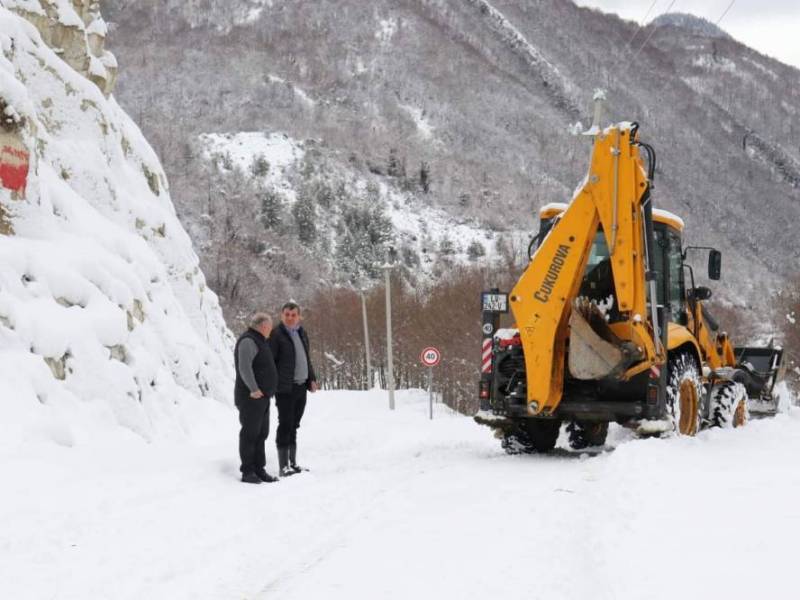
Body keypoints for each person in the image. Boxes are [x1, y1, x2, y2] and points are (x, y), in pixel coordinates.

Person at [269, 302, 318, 477]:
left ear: (299, 316)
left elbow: (306, 358)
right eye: (287, 315)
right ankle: (283, 466)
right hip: (285, 389)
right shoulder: (276, 334)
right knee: (285, 425)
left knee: (294, 425)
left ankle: (293, 463)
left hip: (301, 387)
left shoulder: (302, 333)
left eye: (293, 315)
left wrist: (312, 379)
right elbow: (270, 363)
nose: (290, 318)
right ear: (282, 316)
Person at [234, 313, 278, 484]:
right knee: (250, 434)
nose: (271, 330)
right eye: (270, 326)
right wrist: (253, 388)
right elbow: (244, 367)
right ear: (262, 326)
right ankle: (247, 471)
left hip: (262, 397)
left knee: (262, 434)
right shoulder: (248, 341)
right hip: (251, 397)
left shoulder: (259, 340)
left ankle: (259, 469)